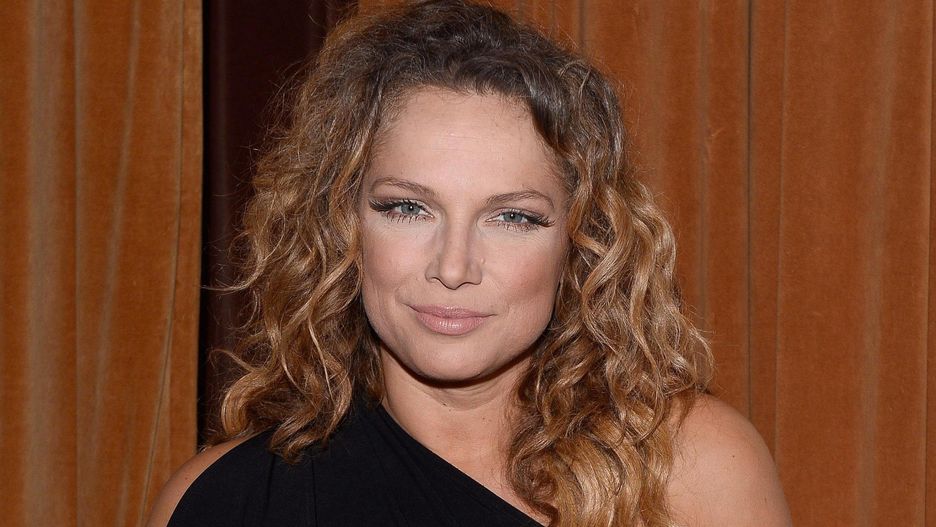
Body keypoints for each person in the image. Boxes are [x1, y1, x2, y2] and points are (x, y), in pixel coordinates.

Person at [148, 1, 791, 525]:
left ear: (582, 242)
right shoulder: (220, 501)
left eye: (512, 217)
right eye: (408, 208)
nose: (454, 268)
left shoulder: (693, 470)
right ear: (340, 224)